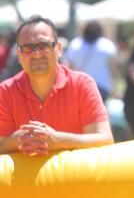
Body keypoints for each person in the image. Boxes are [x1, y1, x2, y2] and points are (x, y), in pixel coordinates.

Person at [0, 15, 113, 155]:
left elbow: (105, 140)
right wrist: (18, 139)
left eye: (43, 45)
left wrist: (59, 140)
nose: (36, 54)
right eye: (28, 48)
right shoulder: (5, 91)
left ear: (59, 49)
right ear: (18, 54)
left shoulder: (82, 85)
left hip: (76, 176)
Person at [65, 20, 117, 101]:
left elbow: (69, 66)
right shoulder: (107, 45)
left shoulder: (75, 44)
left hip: (80, 87)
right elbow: (112, 68)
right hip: (102, 87)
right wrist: (113, 85)